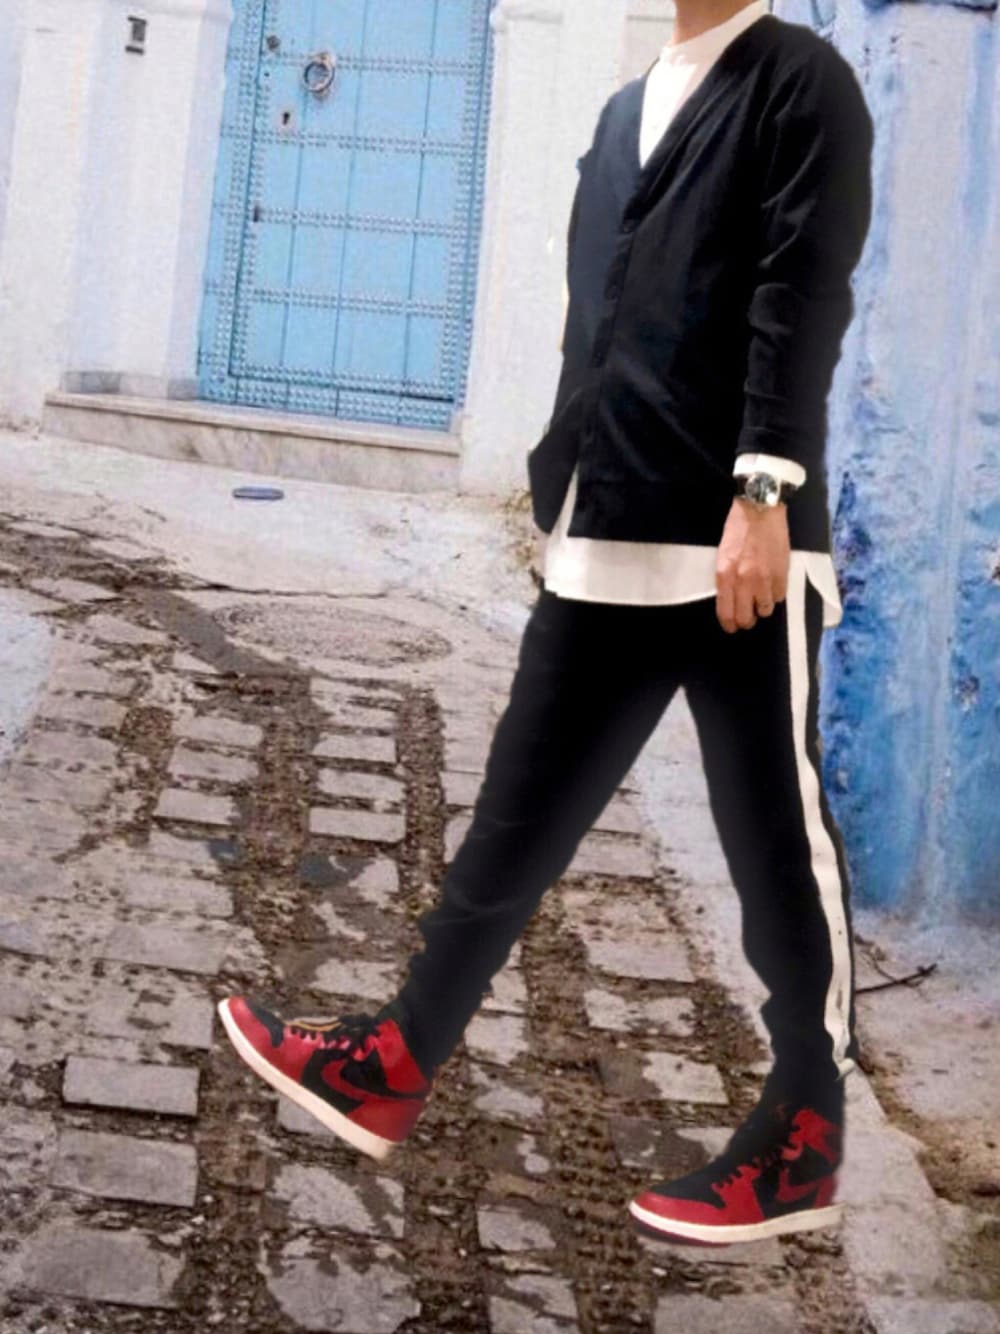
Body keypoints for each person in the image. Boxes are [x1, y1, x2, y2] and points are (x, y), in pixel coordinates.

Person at [217, 0, 874, 1248]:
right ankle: (394, 1062)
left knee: (773, 843)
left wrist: (765, 490)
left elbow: (802, 287)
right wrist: (560, 474)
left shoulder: (802, 81)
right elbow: (608, 304)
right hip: (605, 521)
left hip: (731, 545)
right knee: (509, 824)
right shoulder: (626, 112)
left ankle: (805, 1128)